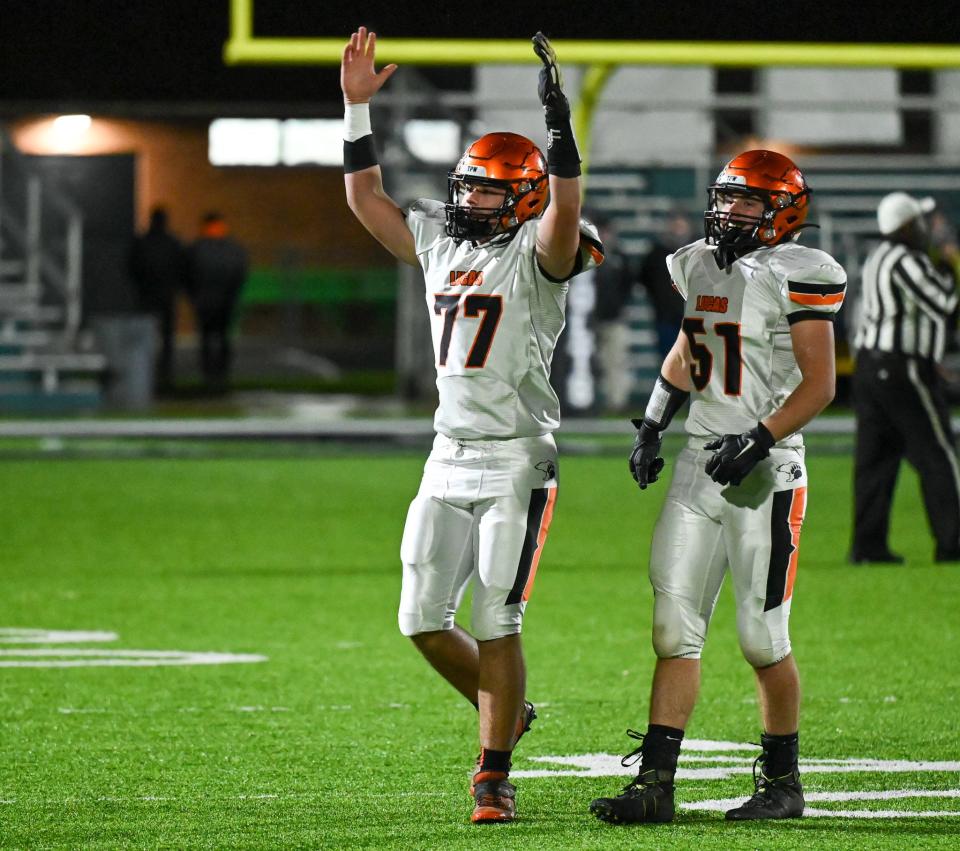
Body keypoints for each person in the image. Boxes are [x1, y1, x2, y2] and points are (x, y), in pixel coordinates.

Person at [341, 27, 602, 824]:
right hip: (445, 454)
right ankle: (507, 709)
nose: (469, 199)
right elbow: (364, 197)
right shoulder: (439, 237)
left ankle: (493, 771)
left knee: (497, 617)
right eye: (467, 186)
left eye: (488, 190)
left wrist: (560, 133)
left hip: (517, 458)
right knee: (420, 618)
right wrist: (356, 108)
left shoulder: (539, 250)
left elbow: (565, 212)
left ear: (520, 197)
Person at [589, 150, 845, 825]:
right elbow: (688, 346)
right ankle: (654, 783)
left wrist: (758, 436)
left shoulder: (801, 273)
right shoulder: (698, 261)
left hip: (767, 469)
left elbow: (820, 383)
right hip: (700, 463)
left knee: (762, 637)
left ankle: (783, 782)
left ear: (783, 211)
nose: (729, 212)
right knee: (673, 627)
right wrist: (651, 421)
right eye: (726, 199)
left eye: (748, 202)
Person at [850, 192, 960, 564]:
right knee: (940, 452)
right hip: (901, 368)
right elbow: (944, 302)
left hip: (871, 367)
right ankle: (953, 542)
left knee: (875, 460)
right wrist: (949, 266)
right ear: (907, 225)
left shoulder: (878, 257)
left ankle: (867, 546)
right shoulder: (905, 260)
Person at [185, 212, 248, 393]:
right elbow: (240, 273)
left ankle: (210, 375)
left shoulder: (198, 248)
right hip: (224, 301)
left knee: (208, 339)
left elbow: (188, 275)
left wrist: (195, 296)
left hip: (206, 301)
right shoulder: (232, 249)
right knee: (222, 338)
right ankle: (220, 374)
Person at [128, 206, 185, 391]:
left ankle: (148, 368)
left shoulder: (143, 242)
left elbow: (132, 267)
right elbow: (182, 268)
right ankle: (166, 370)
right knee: (166, 337)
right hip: (166, 295)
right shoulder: (172, 243)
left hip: (147, 295)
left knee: (147, 336)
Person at [592, 216, 637, 412]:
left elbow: (628, 284)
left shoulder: (620, 256)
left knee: (616, 361)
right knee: (589, 361)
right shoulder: (586, 256)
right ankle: (585, 401)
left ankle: (616, 402)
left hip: (614, 318)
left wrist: (622, 307)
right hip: (589, 320)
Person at [639, 211, 692, 358]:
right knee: (667, 356)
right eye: (675, 226)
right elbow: (646, 279)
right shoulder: (657, 253)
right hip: (665, 315)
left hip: (690, 316)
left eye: (681, 226)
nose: (678, 230)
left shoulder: (696, 252)